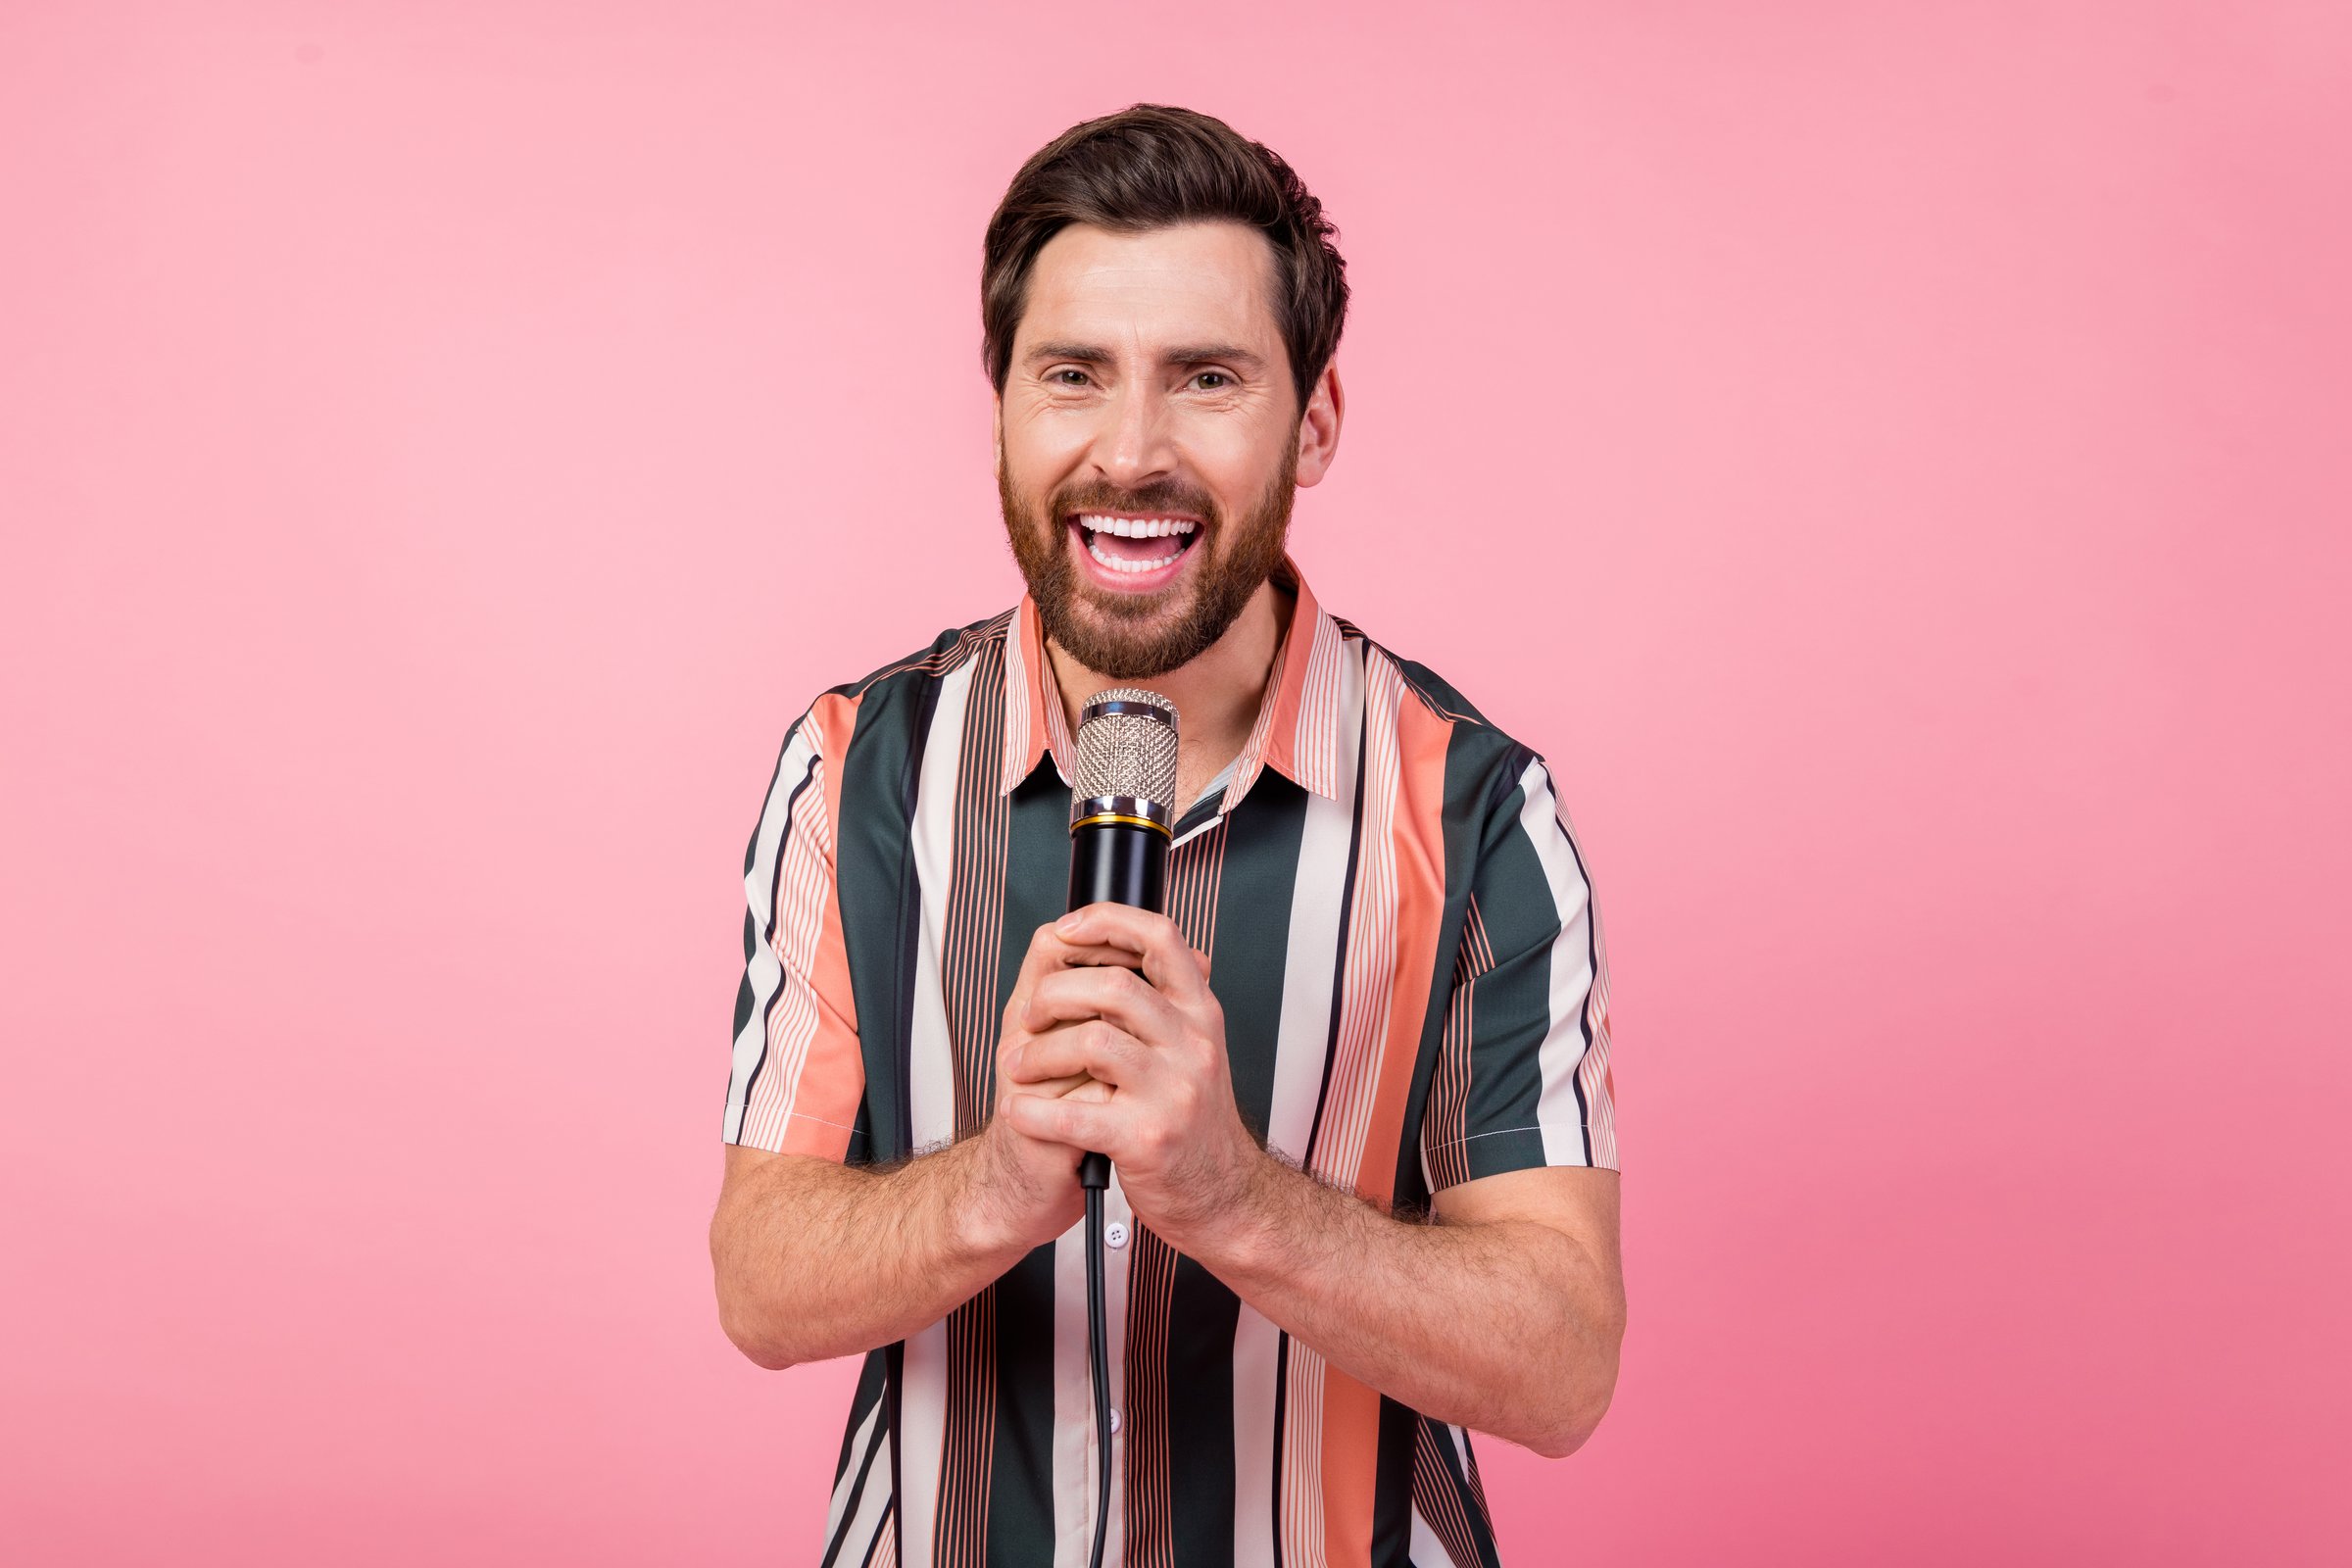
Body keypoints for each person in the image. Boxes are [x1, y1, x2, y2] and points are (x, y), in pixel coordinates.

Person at [710, 103, 1624, 1568]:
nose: (1131, 453)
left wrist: (1233, 1195)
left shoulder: (1474, 808)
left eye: (1206, 377)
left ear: (1313, 420)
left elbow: (1565, 1359)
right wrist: (999, 1181)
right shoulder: (855, 772)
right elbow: (759, 1280)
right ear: (1001, 401)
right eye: (1073, 374)